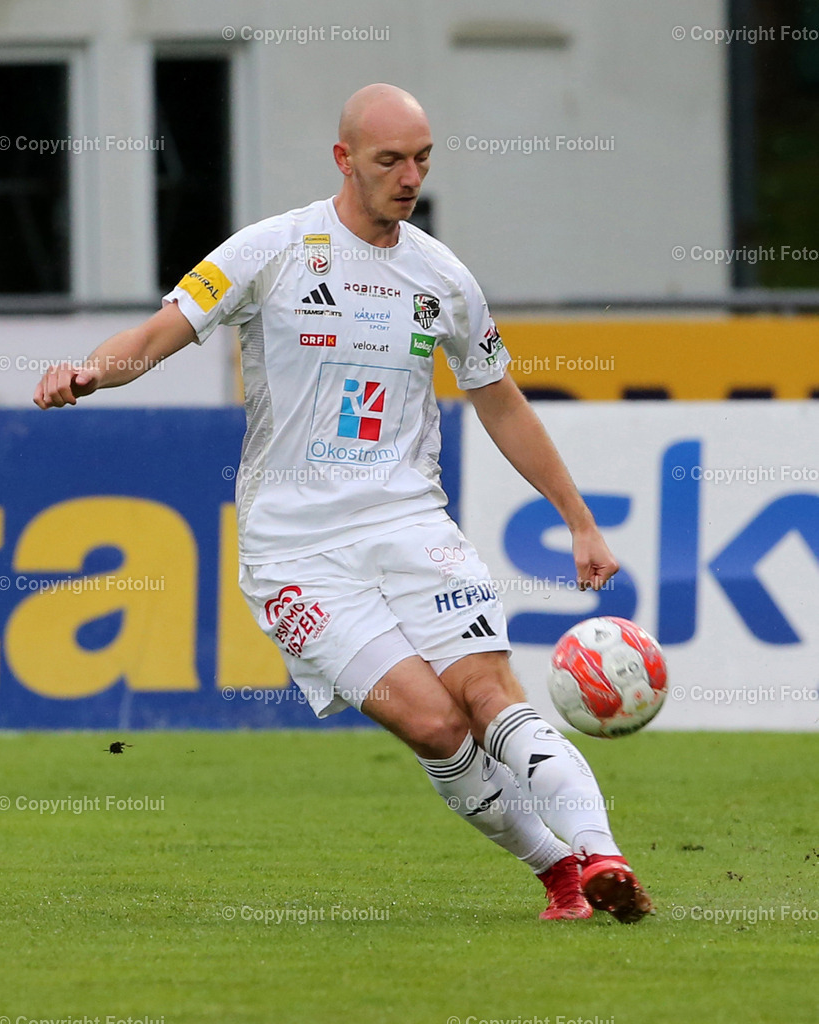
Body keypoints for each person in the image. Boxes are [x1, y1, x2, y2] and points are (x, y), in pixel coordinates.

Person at [34, 83, 653, 923]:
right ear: (344, 159)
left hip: (409, 525)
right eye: (390, 159)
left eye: (422, 158)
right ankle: (558, 871)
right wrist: (90, 372)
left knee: (489, 695)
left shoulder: (443, 278)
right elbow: (156, 334)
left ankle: (604, 856)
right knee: (437, 728)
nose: (409, 176)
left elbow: (500, 400)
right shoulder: (273, 250)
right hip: (294, 551)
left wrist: (577, 519)